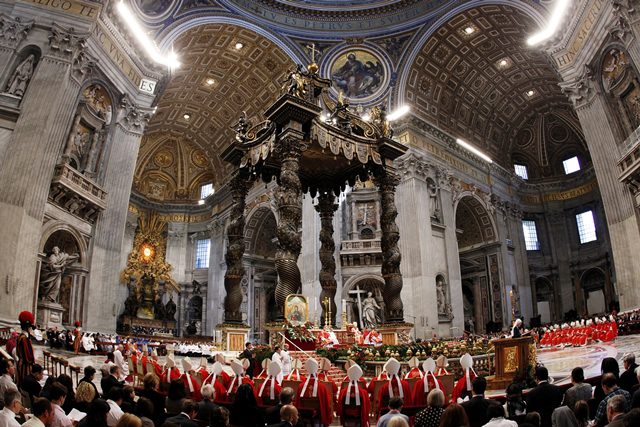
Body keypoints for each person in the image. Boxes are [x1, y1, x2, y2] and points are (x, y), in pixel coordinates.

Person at [16, 311, 36, 387]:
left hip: (22, 363)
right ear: (28, 327)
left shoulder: (22, 336)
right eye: (30, 327)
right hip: (25, 366)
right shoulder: (24, 338)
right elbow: (28, 357)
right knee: (25, 385)